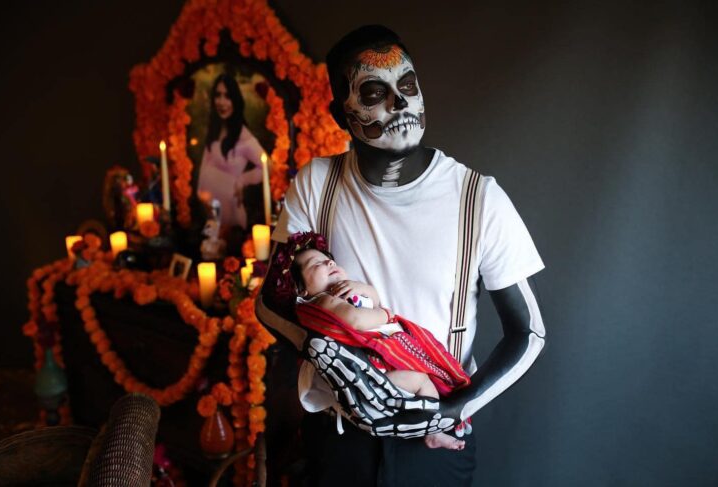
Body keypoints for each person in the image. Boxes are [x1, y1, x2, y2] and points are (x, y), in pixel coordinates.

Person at [258, 25, 547, 486]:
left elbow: (528, 332)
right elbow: (269, 301)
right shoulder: (318, 182)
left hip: (433, 449)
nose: (399, 103)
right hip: (338, 437)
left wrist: (451, 410)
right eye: (374, 92)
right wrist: (341, 366)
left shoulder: (477, 198)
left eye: (407, 85)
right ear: (340, 114)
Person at [291, 242, 471, 450]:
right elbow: (356, 320)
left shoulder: (345, 294)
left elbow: (372, 302)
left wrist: (364, 289)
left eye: (330, 259)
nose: (329, 262)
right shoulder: (322, 302)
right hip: (372, 380)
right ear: (302, 289)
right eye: (317, 264)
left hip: (381, 373)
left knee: (425, 383)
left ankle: (430, 428)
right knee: (421, 381)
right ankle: (433, 433)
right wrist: (386, 315)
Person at [197, 73, 265, 234]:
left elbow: (268, 166)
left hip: (232, 218)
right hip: (211, 217)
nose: (221, 102)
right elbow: (204, 169)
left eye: (227, 96)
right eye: (218, 95)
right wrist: (202, 196)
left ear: (235, 100)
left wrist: (242, 180)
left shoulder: (243, 135)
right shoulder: (214, 130)